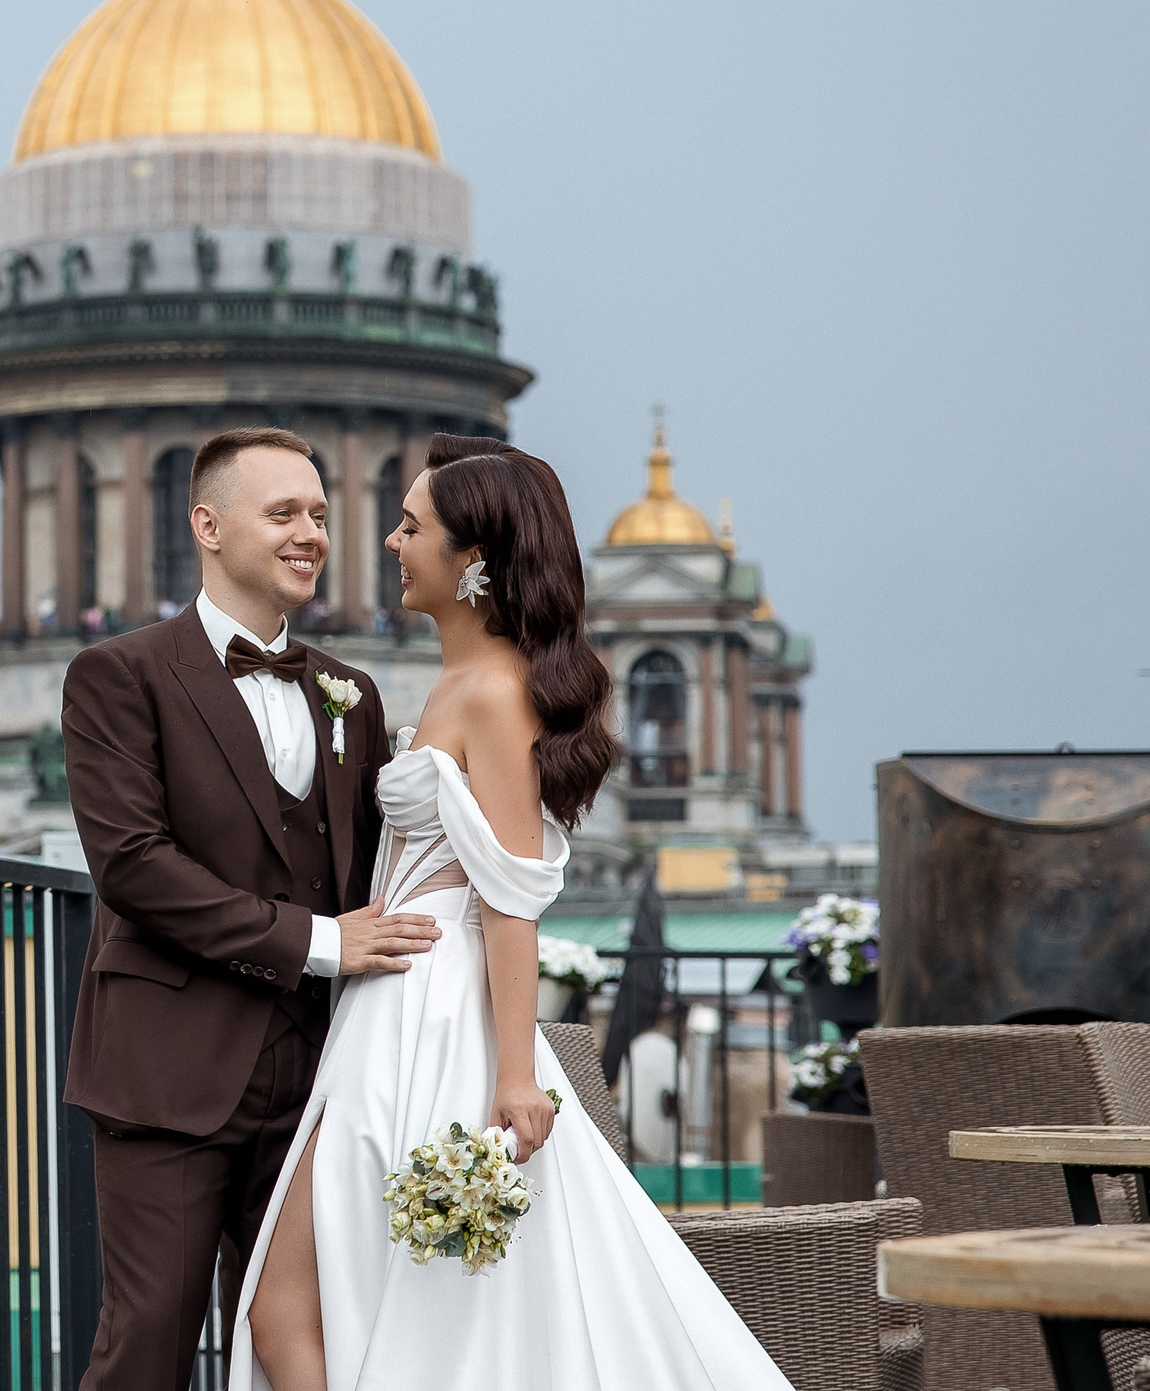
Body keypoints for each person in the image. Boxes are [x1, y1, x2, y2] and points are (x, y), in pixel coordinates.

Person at [230, 435, 795, 1390]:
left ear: (473, 560)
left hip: (432, 1015)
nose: (391, 541)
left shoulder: (491, 693)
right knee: (338, 1303)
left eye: (413, 526)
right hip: (391, 1005)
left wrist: (515, 1077)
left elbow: (511, 897)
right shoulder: (459, 683)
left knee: (306, 1306)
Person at [60, 427, 443, 1391]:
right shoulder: (119, 674)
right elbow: (134, 866)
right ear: (207, 525)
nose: (311, 532)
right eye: (283, 513)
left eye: (319, 513)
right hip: (170, 1075)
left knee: (299, 1343)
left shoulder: (348, 691)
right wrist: (322, 941)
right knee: (148, 1342)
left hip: (319, 1079)